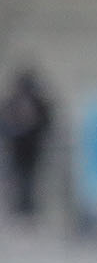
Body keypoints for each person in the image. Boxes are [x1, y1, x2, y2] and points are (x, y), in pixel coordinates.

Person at [0, 67, 54, 219]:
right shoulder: (11, 102)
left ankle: (28, 210)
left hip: (33, 148)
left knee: (31, 180)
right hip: (15, 148)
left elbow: (46, 123)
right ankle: (17, 209)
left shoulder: (38, 103)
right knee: (16, 179)